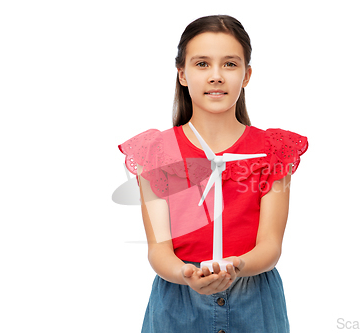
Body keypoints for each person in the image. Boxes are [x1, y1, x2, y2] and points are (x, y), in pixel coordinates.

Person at [118, 15, 309, 333]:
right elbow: (159, 249)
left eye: (230, 65)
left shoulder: (272, 150)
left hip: (254, 302)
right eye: (202, 64)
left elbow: (270, 245)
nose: (216, 76)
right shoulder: (156, 152)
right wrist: (186, 276)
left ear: (247, 75)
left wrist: (237, 266)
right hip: (178, 303)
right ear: (182, 74)